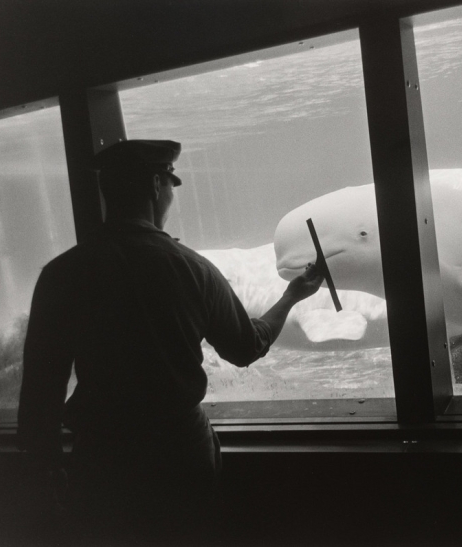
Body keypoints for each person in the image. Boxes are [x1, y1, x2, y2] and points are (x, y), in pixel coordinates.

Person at [17, 139, 324, 543]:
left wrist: (47, 469)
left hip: (103, 461)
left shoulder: (61, 275)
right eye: (171, 187)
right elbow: (247, 347)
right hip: (180, 455)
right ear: (156, 185)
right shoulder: (192, 269)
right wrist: (292, 296)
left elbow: (41, 390)